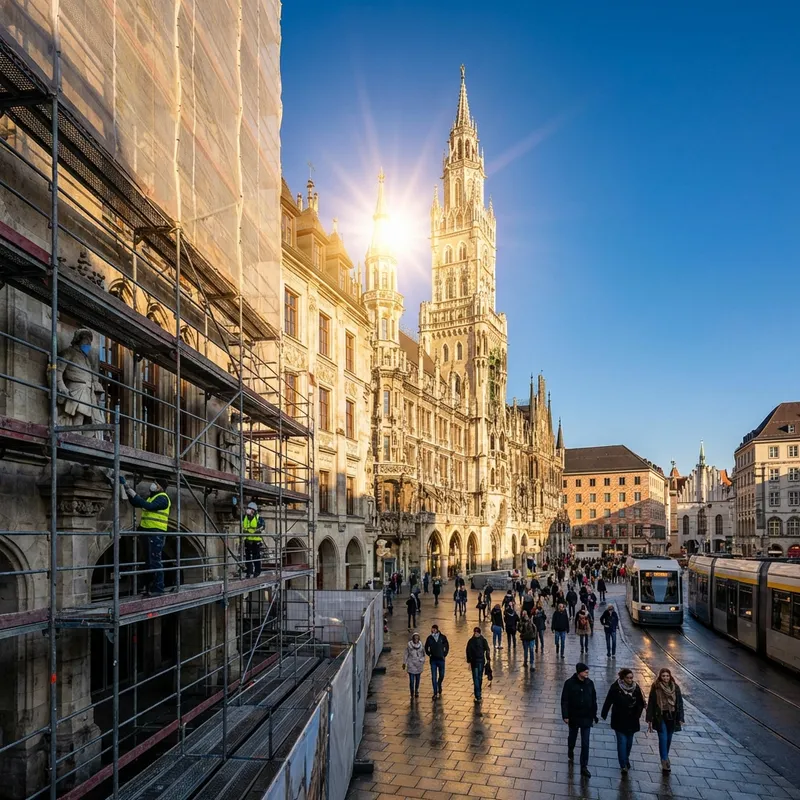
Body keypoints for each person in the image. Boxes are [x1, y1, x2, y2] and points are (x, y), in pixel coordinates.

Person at [121, 476, 170, 595]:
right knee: (149, 562)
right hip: (148, 532)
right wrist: (126, 489)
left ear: (160, 486)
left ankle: (159, 588)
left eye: (155, 482)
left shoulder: (163, 498)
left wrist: (129, 488)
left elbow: (149, 507)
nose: (153, 484)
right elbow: (137, 502)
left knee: (155, 561)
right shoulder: (151, 497)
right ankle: (150, 588)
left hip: (156, 533)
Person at [601, 668, 646, 775]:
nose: (630, 680)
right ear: (623, 678)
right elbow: (608, 700)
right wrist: (604, 713)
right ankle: (623, 765)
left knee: (629, 743)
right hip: (619, 719)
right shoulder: (616, 687)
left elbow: (640, 702)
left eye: (631, 678)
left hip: (632, 720)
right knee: (622, 742)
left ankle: (626, 758)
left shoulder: (636, 687)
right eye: (628, 678)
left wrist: (638, 714)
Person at [561, 662, 597, 778]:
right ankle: (570, 749)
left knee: (585, 743)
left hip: (586, 717)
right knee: (573, 737)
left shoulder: (590, 683)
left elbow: (593, 699)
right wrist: (565, 715)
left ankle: (583, 766)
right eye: (585, 671)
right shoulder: (569, 683)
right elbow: (565, 700)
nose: (587, 673)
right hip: (574, 716)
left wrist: (594, 715)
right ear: (579, 672)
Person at [646, 668, 684, 773]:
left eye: (667, 676)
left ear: (670, 676)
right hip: (660, 716)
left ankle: (665, 757)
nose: (665, 678)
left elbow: (679, 703)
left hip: (672, 716)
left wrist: (681, 718)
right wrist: (649, 718)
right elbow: (651, 703)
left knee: (668, 739)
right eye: (663, 676)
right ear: (660, 676)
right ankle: (665, 760)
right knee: (663, 738)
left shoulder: (675, 687)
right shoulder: (656, 687)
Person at [466, 626, 491, 701]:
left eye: (477, 632)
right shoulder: (474, 640)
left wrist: (488, 659)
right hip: (476, 662)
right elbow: (468, 651)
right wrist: (469, 661)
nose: (476, 634)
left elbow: (487, 650)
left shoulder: (481, 640)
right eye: (475, 632)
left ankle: (478, 693)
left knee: (478, 678)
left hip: (479, 662)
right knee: (477, 678)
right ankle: (478, 694)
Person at [424, 624, 449, 698]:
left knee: (442, 675)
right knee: (433, 676)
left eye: (434, 629)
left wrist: (444, 654)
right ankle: (435, 692)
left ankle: (439, 684)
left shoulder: (442, 637)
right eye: (432, 629)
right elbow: (426, 647)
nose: (433, 631)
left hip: (441, 659)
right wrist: (429, 654)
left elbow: (447, 646)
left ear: (437, 630)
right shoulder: (429, 638)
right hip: (433, 660)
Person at [241, 501, 265, 578]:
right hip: (248, 540)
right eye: (248, 508)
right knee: (248, 557)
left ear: (253, 511)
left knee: (256, 556)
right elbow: (242, 526)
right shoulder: (245, 518)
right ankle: (249, 571)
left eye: (250, 509)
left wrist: (256, 530)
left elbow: (263, 527)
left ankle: (257, 571)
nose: (248, 510)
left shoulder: (259, 518)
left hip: (256, 541)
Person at [402, 632, 425, 699]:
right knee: (411, 681)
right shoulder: (409, 646)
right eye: (415, 638)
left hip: (418, 665)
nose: (416, 639)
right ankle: (412, 692)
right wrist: (404, 662)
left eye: (417, 638)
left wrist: (422, 660)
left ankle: (416, 690)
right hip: (411, 665)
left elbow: (424, 654)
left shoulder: (421, 645)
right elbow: (406, 654)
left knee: (417, 680)